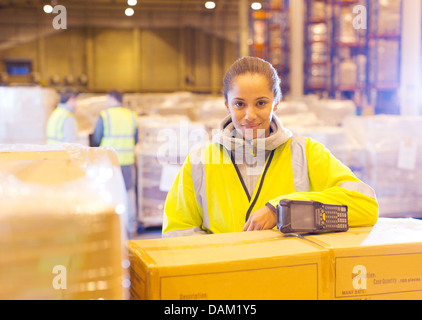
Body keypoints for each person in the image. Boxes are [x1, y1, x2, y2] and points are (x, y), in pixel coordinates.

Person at [162, 57, 378, 238]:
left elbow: (366, 205)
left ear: (276, 102)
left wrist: (282, 210)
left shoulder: (307, 153)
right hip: (223, 281)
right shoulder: (200, 162)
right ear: (227, 105)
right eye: (239, 104)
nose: (250, 115)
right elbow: (177, 231)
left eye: (261, 103)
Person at [91, 90, 139, 234]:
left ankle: (112, 227)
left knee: (109, 192)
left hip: (109, 161)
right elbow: (136, 139)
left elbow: (96, 138)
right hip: (127, 161)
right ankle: (132, 227)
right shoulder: (131, 115)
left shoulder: (105, 116)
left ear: (112, 98)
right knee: (129, 192)